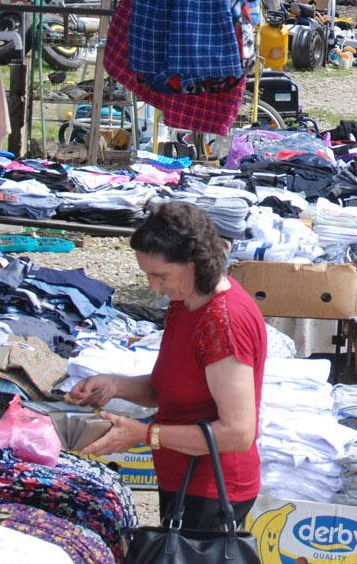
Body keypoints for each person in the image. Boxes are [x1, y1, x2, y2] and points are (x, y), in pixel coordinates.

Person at [70, 202, 266, 529]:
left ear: (194, 264)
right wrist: (116, 384)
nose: (153, 287)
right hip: (183, 478)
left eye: (161, 276)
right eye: (148, 275)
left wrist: (146, 434)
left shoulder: (223, 321)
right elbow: (172, 389)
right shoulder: (185, 302)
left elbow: (238, 433)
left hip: (214, 490)